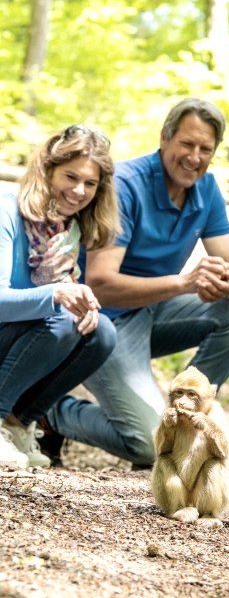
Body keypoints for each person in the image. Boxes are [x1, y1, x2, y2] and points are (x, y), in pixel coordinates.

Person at [43, 98, 229, 468]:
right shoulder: (126, 185)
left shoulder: (206, 190)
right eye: (187, 144)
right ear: (164, 138)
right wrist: (185, 283)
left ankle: (189, 417)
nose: (194, 157)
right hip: (102, 322)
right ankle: (51, 411)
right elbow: (101, 284)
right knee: (149, 445)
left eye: (205, 149)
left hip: (154, 311)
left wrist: (224, 284)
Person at [0, 125, 119, 469]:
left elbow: (62, 299)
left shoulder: (70, 231)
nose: (79, 191)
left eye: (91, 183)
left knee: (101, 333)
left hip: (18, 340)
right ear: (48, 170)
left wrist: (81, 306)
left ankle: (18, 423)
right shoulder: (8, 212)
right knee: (62, 313)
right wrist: (58, 293)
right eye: (71, 176)